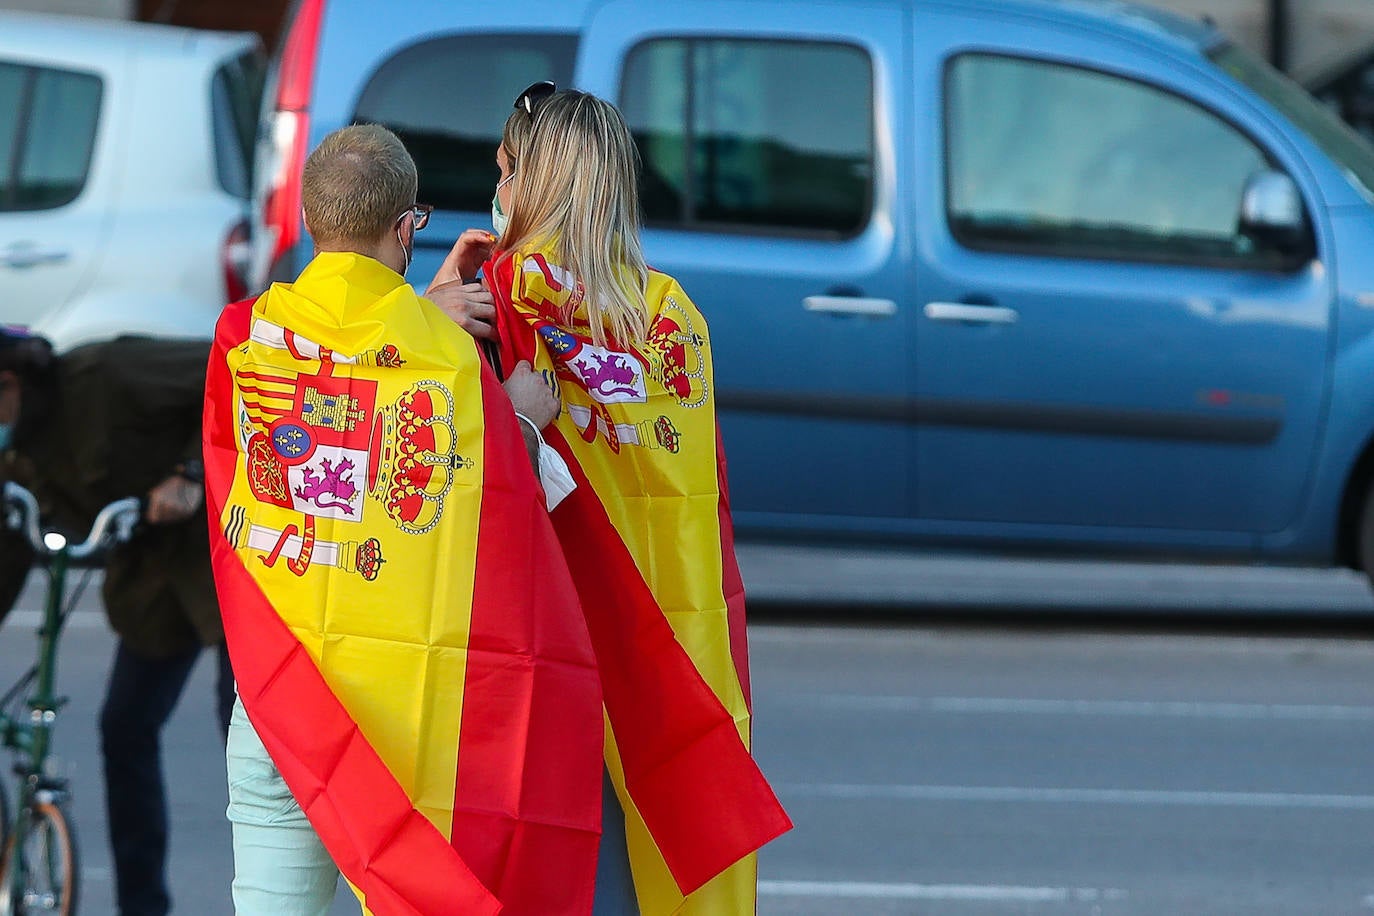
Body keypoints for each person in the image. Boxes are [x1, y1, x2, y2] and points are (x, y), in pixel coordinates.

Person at [206, 123, 605, 915]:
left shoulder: (244, 334)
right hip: (394, 721)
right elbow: (492, 512)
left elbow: (344, 371)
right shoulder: (448, 359)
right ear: (407, 226)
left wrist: (419, 314)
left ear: (314, 220)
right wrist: (519, 420)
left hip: (278, 698)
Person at [431, 85, 793, 915]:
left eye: (503, 172)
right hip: (667, 644)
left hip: (547, 637)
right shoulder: (672, 320)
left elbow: (447, 471)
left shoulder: (498, 300)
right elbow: (699, 497)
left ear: (529, 178)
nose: (498, 192)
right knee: (647, 866)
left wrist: (426, 320)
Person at [0, 328, 232, 916]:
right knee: (124, 729)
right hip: (151, 586)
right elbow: (11, 550)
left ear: (11, 382)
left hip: (226, 559)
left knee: (247, 733)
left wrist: (189, 471)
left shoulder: (108, 370)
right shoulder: (20, 452)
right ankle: (142, 905)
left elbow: (233, 371)